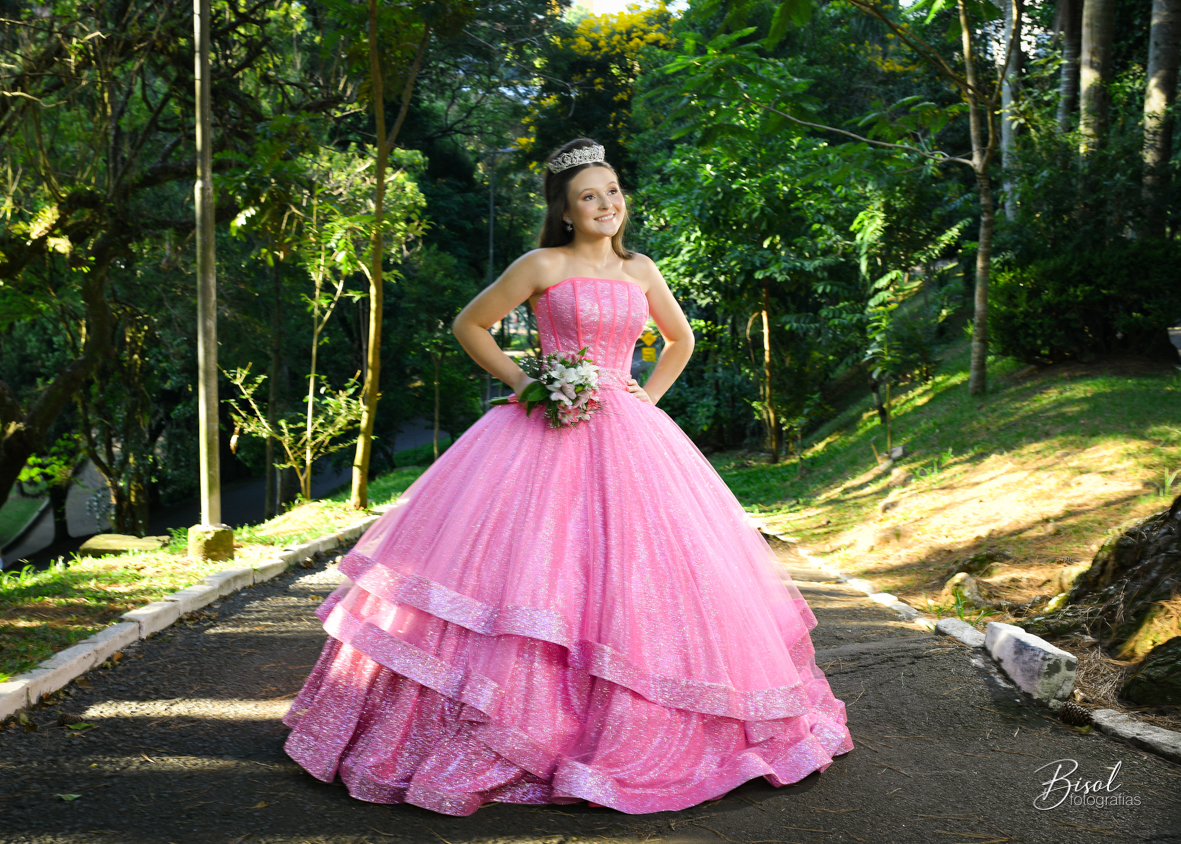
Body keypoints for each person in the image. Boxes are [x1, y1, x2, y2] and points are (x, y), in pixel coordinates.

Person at [283, 138, 854, 816]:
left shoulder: (642, 269)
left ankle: (636, 725)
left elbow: (681, 339)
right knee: (531, 567)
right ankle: (515, 721)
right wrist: (527, 382)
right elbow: (471, 324)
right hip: (543, 430)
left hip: (629, 434)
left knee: (639, 571)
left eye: (612, 191)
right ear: (565, 210)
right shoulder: (542, 264)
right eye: (589, 195)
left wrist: (647, 396)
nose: (606, 204)